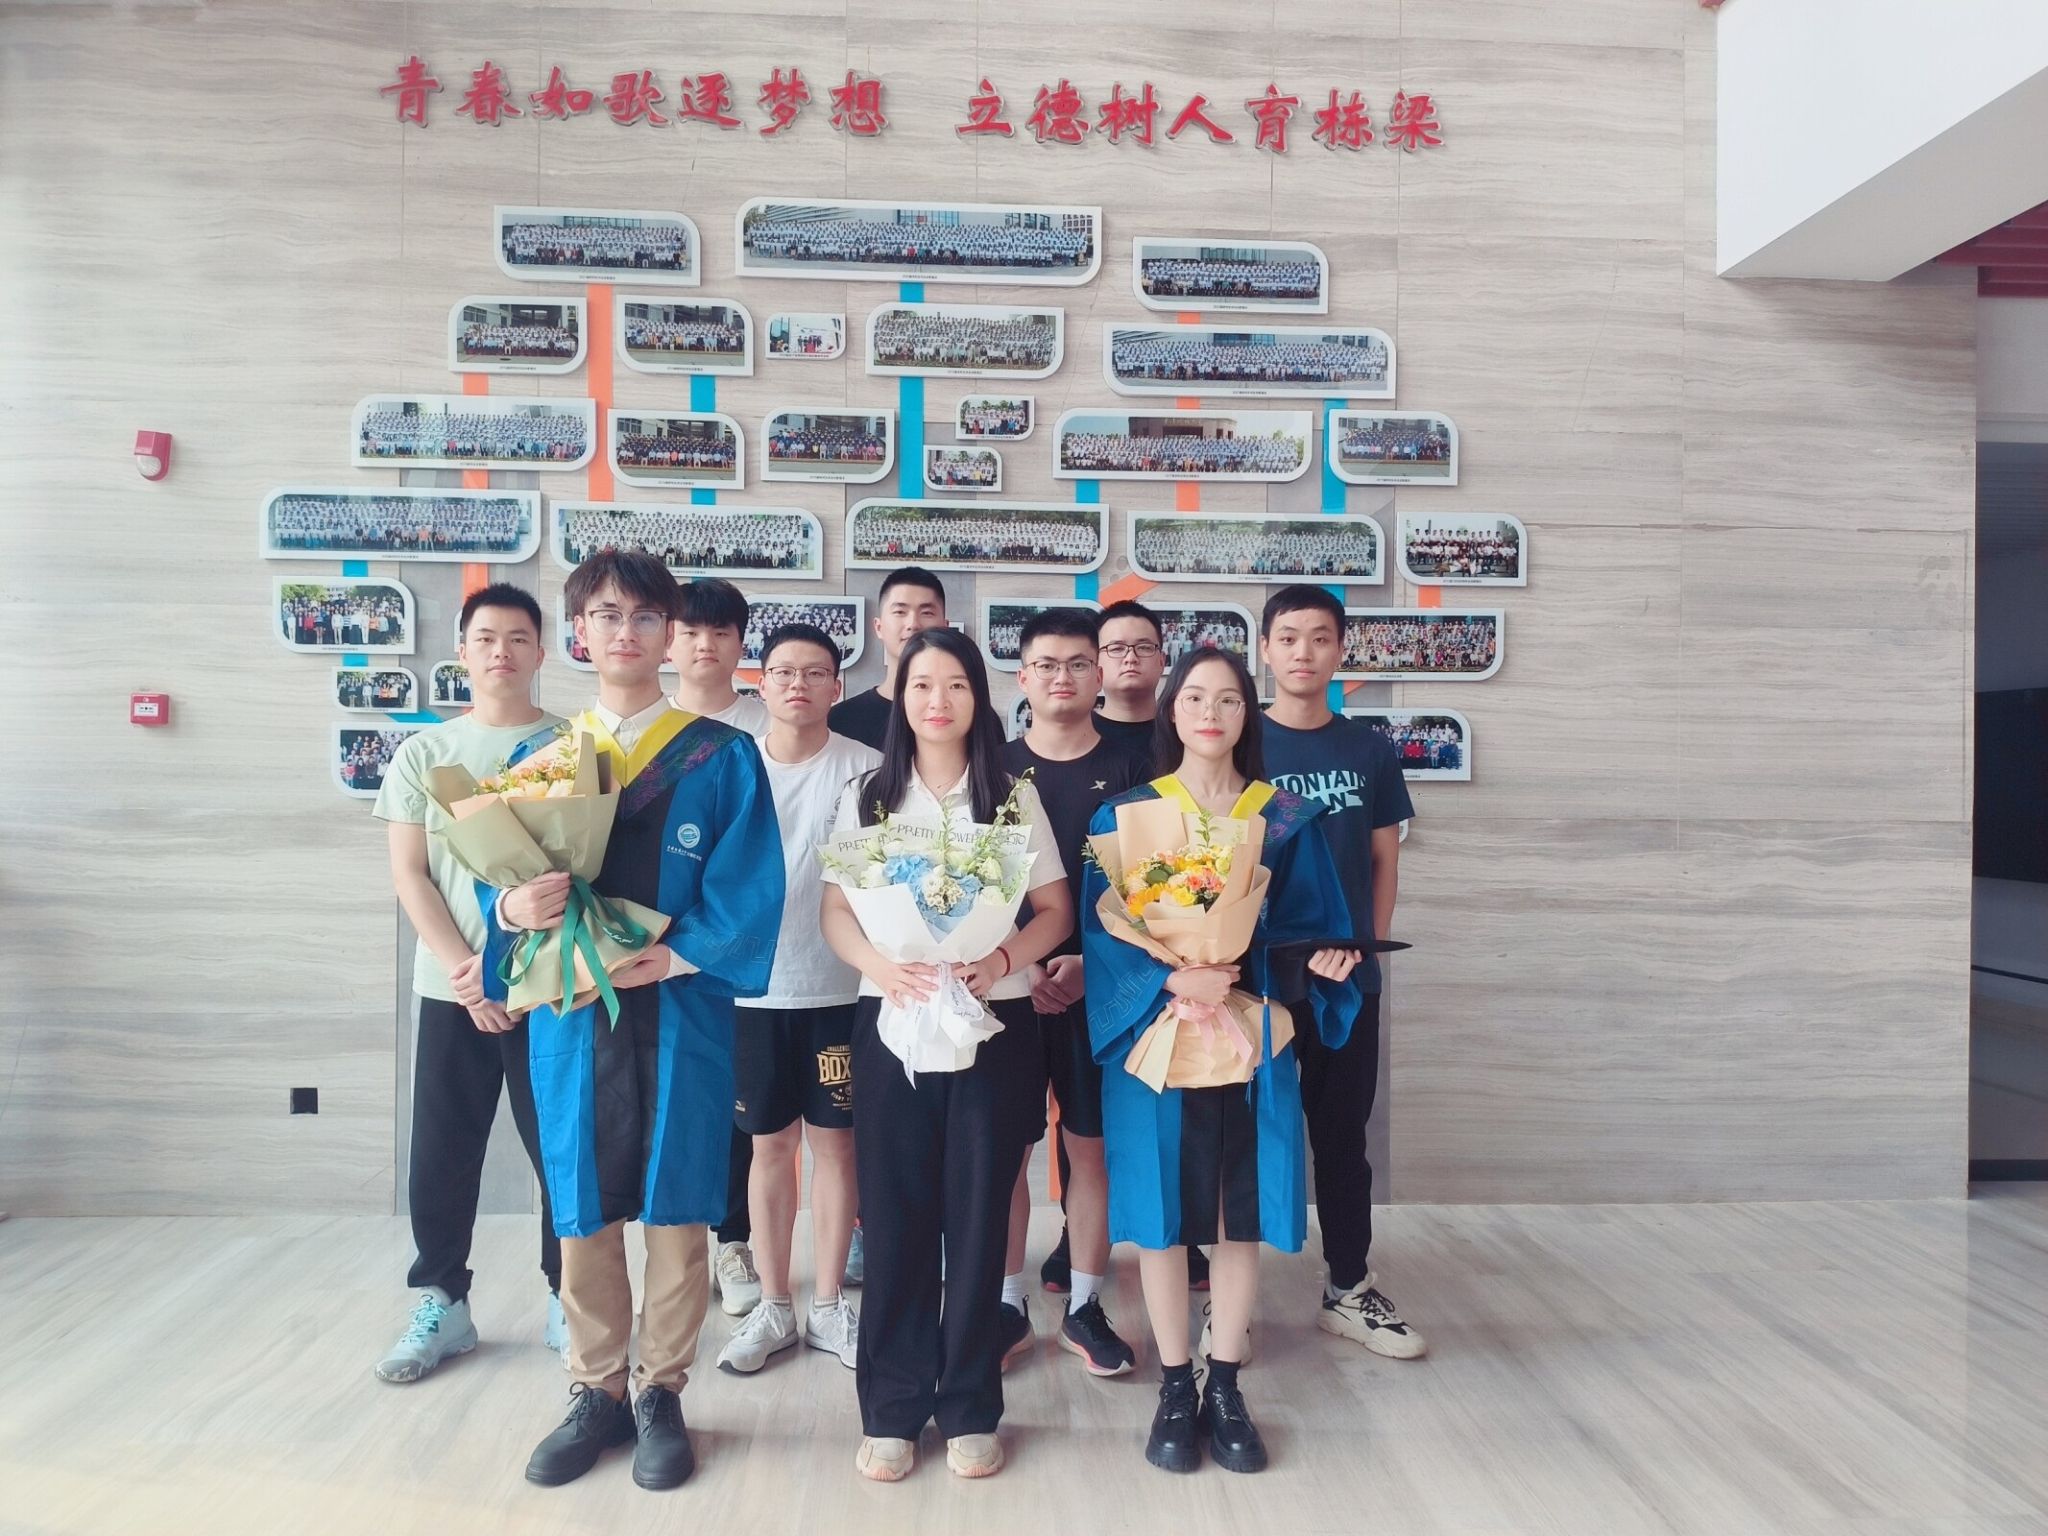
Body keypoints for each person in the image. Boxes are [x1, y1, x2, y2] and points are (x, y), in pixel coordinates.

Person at [483, 549, 784, 1492]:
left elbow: (749, 885)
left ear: (670, 635)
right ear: (580, 634)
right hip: (575, 1014)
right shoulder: (542, 760)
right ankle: (596, 1388)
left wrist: (680, 954)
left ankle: (661, 1391)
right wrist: (510, 909)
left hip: (681, 1008)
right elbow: (496, 880)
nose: (626, 632)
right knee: (581, 1201)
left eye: (645, 617)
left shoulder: (720, 755)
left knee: (678, 1200)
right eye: (607, 616)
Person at [1081, 646, 1362, 1476]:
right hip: (1156, 1035)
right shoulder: (1125, 817)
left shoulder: (1284, 817)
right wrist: (1171, 976)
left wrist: (1322, 964)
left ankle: (1227, 1383)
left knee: (1242, 1213)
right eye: (1195, 697)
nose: (1211, 712)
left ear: (1249, 714)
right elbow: (1102, 935)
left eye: (1230, 699)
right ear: (1172, 710)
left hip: (1250, 1037)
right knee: (1163, 1217)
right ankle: (1176, 1385)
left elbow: (1309, 925)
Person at [820, 628, 1074, 1483]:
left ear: (978, 696)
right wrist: (880, 965)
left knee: (976, 1218)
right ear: (899, 695)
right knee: (893, 1216)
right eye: (922, 683)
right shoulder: (867, 794)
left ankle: (969, 1404)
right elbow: (835, 911)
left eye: (956, 684)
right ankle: (892, 1409)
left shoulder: (1011, 796)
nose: (938, 700)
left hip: (995, 1025)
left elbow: (1055, 908)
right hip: (891, 1021)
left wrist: (1002, 960)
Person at [370, 584, 565, 1384]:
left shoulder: (571, 746)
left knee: (562, 1149)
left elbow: (583, 872)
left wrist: (514, 972)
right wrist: (471, 974)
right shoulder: (426, 754)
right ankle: (442, 1300)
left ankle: (568, 1295)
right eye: (486, 638)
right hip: (454, 986)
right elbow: (410, 876)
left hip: (552, 985)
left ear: (541, 652)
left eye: (518, 638)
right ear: (462, 650)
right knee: (443, 1150)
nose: (501, 652)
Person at [1253, 586, 1425, 1360]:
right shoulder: (1242, 743)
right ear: (1265, 649)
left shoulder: (1368, 749)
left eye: (1319, 638)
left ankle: (1348, 1287)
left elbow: (1385, 857)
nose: (1303, 652)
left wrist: (1366, 946)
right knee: (1243, 1135)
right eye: (1288, 637)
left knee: (1341, 1137)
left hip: (1346, 979)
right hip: (1257, 978)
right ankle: (1228, 1295)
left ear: (1340, 651)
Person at [717, 623, 880, 1376]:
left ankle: (829, 1307)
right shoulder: (732, 766)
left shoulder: (868, 770)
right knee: (769, 1147)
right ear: (761, 682)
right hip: (752, 990)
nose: (798, 685)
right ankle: (776, 1304)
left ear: (837, 687)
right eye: (783, 671)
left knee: (837, 1146)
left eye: (816, 673)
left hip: (842, 987)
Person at [998, 609, 1146, 1378]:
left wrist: (1091, 963)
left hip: (1102, 990)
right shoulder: (989, 769)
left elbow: (1152, 892)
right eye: (1047, 664)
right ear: (1023, 677)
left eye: (1079, 663)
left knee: (1091, 1150)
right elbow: (967, 889)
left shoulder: (1136, 770)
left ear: (1100, 674)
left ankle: (1085, 1306)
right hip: (1005, 990)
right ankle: (1006, 1305)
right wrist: (1021, 966)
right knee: (1008, 1151)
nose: (1063, 677)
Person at [668, 577, 769, 1317]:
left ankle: (733, 1242)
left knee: (739, 1111)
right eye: (690, 630)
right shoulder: (646, 728)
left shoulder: (765, 725)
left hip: (743, 947)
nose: (705, 645)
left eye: (720, 631)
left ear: (741, 642)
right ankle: (670, 1255)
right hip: (652, 954)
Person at [827, 566, 946, 751]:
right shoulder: (840, 720)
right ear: (879, 627)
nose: (913, 624)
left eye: (927, 613)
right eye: (900, 612)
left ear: (945, 627)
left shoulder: (967, 716)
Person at [1092, 599, 1167, 753]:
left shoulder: (1187, 736)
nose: (1131, 658)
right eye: (1116, 648)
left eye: (1144, 647)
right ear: (1095, 660)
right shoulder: (1075, 735)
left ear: (1162, 661)